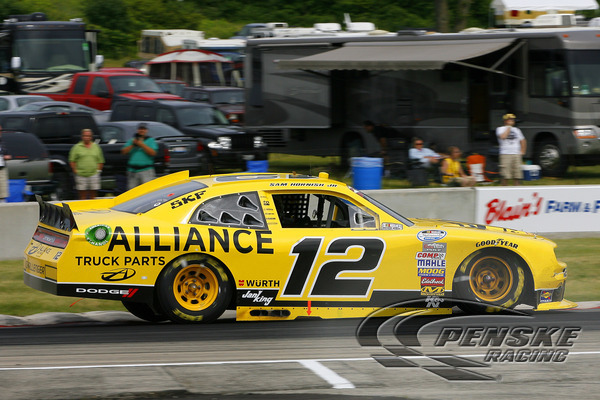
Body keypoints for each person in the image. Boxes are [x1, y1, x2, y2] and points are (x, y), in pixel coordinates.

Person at [69, 129, 104, 200]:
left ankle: (93, 207)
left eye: (89, 136)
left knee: (93, 196)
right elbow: (72, 161)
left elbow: (100, 160)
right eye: (85, 136)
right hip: (81, 175)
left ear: (91, 137)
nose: (87, 137)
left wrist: (98, 171)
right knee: (82, 196)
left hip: (94, 174)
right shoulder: (76, 147)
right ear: (82, 137)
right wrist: (75, 171)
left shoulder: (96, 147)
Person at [121, 123, 157, 190]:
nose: (142, 130)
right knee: (132, 190)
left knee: (147, 190)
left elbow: (153, 153)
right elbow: (123, 152)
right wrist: (133, 145)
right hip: (132, 171)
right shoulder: (132, 140)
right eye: (140, 129)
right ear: (137, 130)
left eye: (143, 129)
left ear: (146, 130)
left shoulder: (150, 140)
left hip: (146, 170)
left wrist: (141, 145)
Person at [496, 113, 526, 185]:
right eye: (510, 119)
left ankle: (517, 189)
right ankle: (504, 189)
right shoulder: (500, 129)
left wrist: (522, 151)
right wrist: (509, 127)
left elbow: (523, 140)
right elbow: (503, 137)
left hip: (516, 154)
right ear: (505, 120)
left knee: (517, 175)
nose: (512, 121)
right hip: (505, 154)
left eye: (513, 120)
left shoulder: (517, 130)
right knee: (505, 175)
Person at [0, 125, 11, 202]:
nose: (0, 132)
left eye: (1, 131)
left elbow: (6, 154)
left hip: (2, 168)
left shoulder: (2, 142)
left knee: (3, 192)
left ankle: (3, 206)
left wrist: (7, 156)